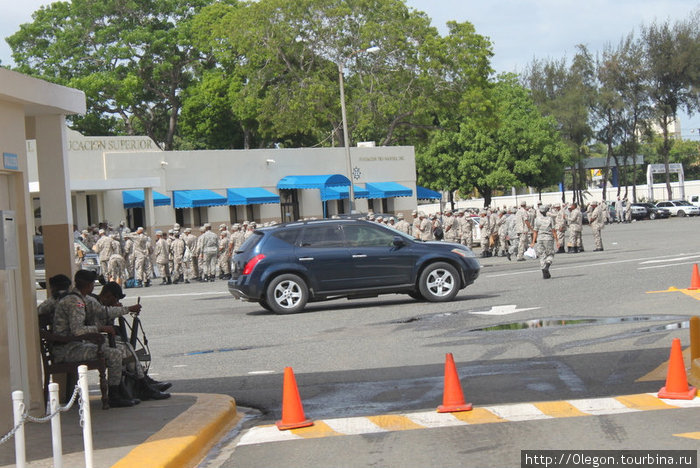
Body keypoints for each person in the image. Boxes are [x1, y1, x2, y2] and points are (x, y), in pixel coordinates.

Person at [52, 270, 135, 407]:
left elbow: (103, 311)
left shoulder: (82, 298)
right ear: (90, 285)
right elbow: (78, 331)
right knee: (114, 353)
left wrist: (127, 309)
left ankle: (121, 391)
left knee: (119, 349)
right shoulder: (75, 302)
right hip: (67, 349)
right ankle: (113, 396)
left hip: (75, 345)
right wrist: (100, 329)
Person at [92, 282, 171, 399]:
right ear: (108, 295)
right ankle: (142, 385)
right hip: (94, 340)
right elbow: (103, 316)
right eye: (115, 299)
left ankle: (143, 381)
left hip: (101, 338)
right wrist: (126, 309)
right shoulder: (94, 302)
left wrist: (118, 310)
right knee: (125, 348)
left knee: (127, 344)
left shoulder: (103, 304)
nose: (115, 302)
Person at [531, 205, 559, 279]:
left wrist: (533, 241)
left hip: (540, 238)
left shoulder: (537, 219)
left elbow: (535, 231)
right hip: (548, 238)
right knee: (550, 254)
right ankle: (547, 266)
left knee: (542, 255)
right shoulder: (550, 219)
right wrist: (557, 241)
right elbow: (554, 231)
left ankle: (544, 272)